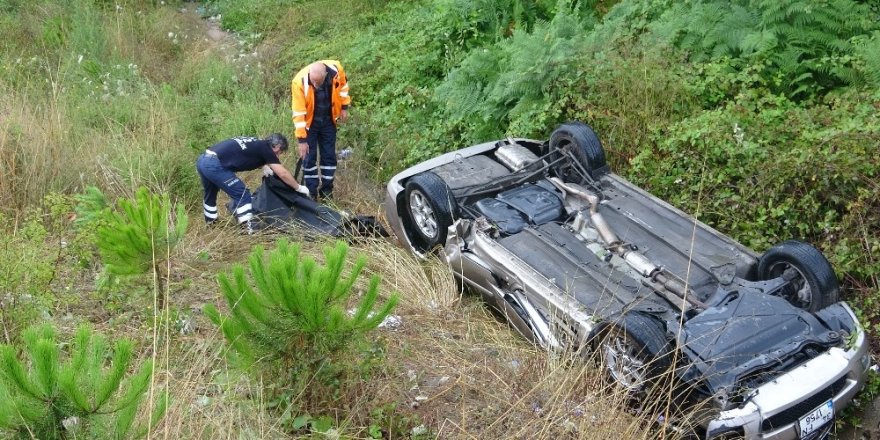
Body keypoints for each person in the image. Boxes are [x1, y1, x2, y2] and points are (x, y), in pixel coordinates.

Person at [196, 133, 309, 232]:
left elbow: (247, 154)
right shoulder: (267, 148)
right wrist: (298, 187)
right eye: (279, 152)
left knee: (210, 194)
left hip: (203, 159)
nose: (277, 156)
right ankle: (248, 228)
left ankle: (211, 224)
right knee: (242, 194)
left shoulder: (257, 142)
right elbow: (283, 173)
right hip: (213, 164)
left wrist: (264, 165)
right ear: (276, 146)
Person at [291, 60, 350, 200]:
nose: (316, 86)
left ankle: (327, 191)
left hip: (328, 121)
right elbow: (298, 112)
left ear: (325, 75)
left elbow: (343, 87)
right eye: (313, 82)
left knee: (329, 156)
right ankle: (311, 192)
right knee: (309, 158)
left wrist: (344, 107)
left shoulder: (336, 70)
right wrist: (302, 140)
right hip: (309, 125)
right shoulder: (299, 82)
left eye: (319, 82)